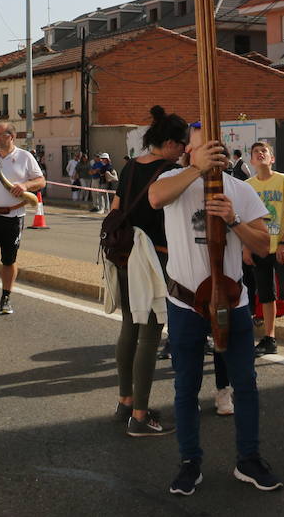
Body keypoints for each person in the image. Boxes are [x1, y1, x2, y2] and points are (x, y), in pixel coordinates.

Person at [147, 124, 280, 496]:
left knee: (246, 385)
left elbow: (264, 245)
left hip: (232, 301)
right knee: (186, 387)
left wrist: (234, 220)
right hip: (185, 303)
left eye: (213, 144)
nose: (208, 150)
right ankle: (190, 462)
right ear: (190, 149)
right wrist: (194, 169)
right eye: (199, 144)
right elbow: (155, 199)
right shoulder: (174, 178)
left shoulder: (240, 190)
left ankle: (249, 460)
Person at [107, 106, 188, 438]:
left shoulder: (129, 168)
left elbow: (114, 210)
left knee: (129, 325)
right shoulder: (171, 172)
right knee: (151, 332)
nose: (184, 150)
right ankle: (141, 415)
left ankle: (125, 401)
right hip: (155, 258)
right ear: (169, 143)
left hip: (124, 255)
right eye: (182, 144)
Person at [0, 122, 46, 317]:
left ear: (10, 137)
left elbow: (41, 181)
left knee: (8, 260)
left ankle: (6, 298)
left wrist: (26, 185)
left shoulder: (25, 157)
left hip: (13, 217)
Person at [245, 142, 284, 363]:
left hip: (281, 247)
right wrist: (246, 247)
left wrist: (283, 242)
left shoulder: (282, 180)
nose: (260, 154)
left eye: (264, 152)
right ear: (251, 160)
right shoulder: (248, 186)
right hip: (260, 248)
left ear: (272, 158)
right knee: (266, 295)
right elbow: (245, 220)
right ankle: (269, 339)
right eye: (256, 152)